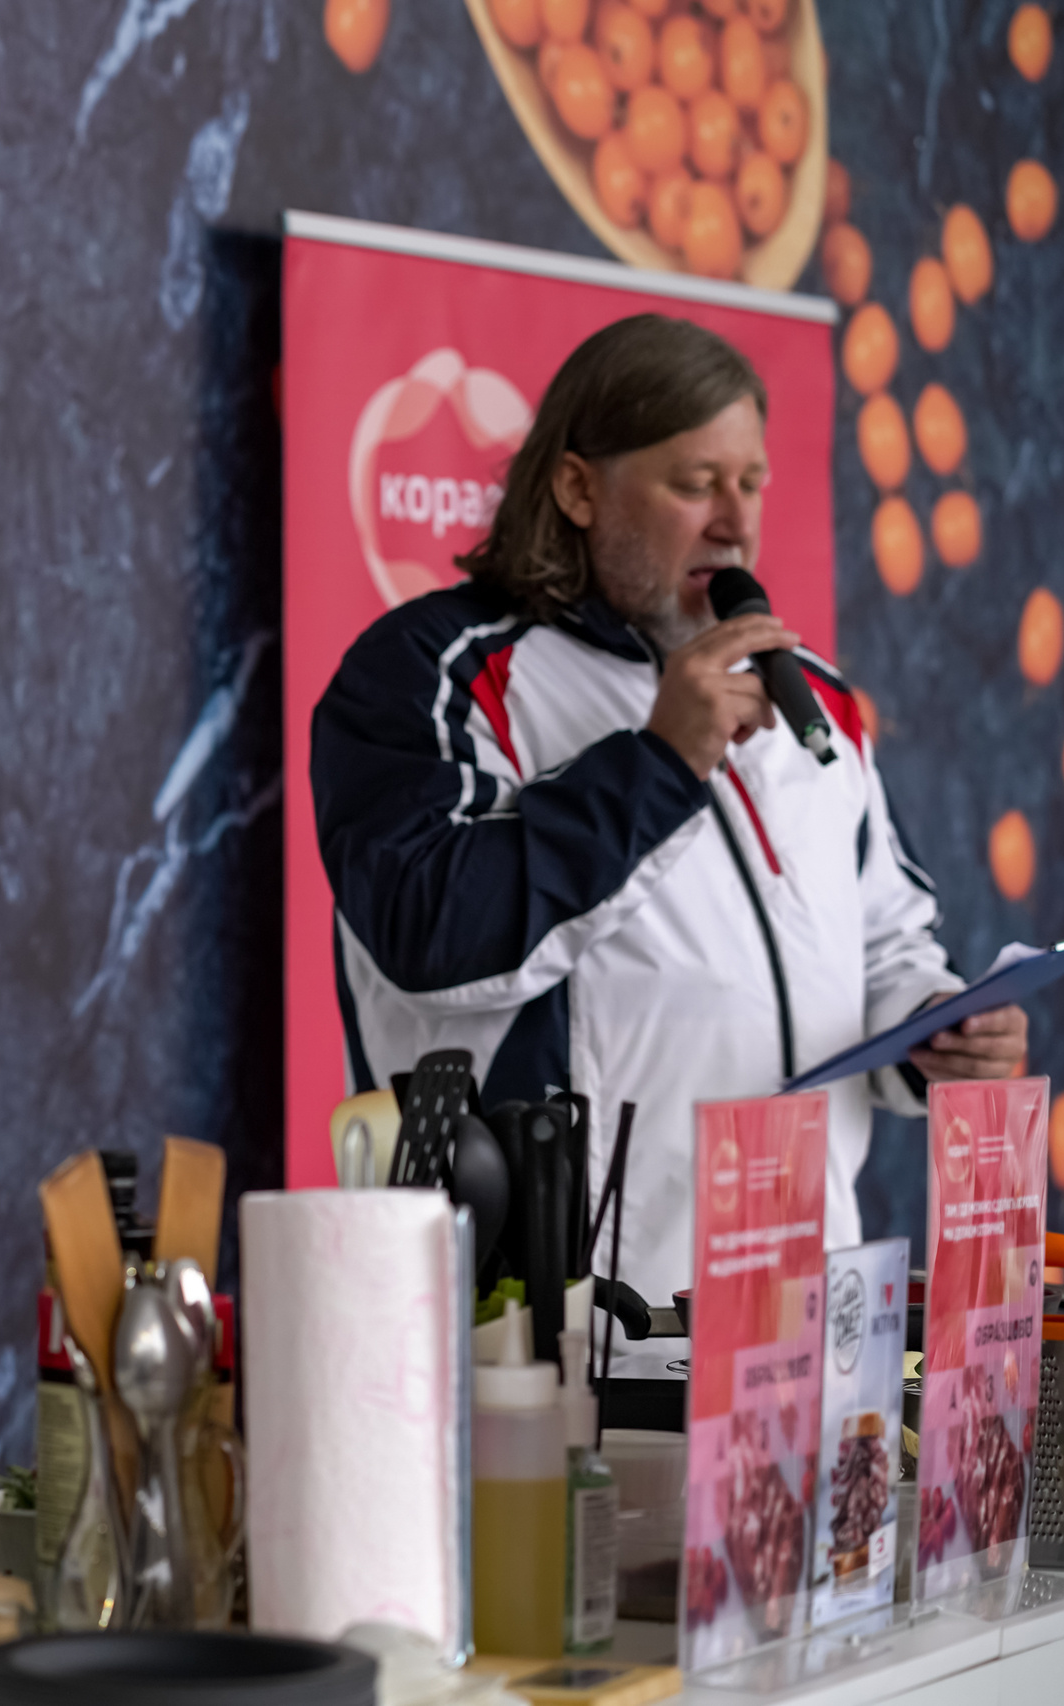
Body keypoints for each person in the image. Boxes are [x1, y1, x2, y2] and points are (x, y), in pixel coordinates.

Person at [310, 314, 1025, 1307]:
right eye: (695, 483)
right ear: (576, 487)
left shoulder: (813, 695)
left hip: (802, 1309)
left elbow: (884, 946)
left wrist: (934, 1030)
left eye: (752, 482)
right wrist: (658, 762)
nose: (734, 522)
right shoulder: (430, 671)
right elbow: (430, 930)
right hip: (561, 1325)